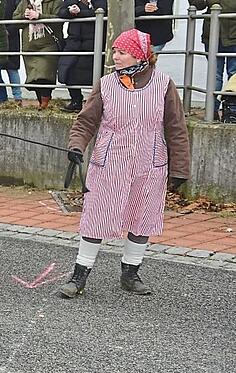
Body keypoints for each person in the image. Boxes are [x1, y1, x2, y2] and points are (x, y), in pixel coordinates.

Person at [57, 29, 190, 299]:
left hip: (149, 164)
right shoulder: (105, 84)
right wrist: (76, 146)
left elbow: (176, 128)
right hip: (109, 162)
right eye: (114, 51)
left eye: (122, 52)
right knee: (95, 218)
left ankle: (130, 274)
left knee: (141, 219)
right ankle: (79, 276)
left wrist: (179, 169)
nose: (115, 56)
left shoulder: (164, 84)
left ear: (139, 55)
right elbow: (86, 122)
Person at [188, 0, 236, 119]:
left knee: (234, 75)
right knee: (214, 76)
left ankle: (232, 112)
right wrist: (206, 1)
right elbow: (192, 0)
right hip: (213, 36)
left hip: (234, 36)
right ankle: (212, 111)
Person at [58, 0, 107, 113]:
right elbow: (60, 11)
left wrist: (80, 12)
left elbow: (101, 11)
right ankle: (75, 100)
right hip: (74, 38)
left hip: (92, 39)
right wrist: (69, 11)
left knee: (92, 73)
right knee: (67, 68)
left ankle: (95, 104)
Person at [13, 0, 64, 110]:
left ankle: (45, 102)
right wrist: (25, 16)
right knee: (34, 76)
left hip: (47, 44)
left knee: (45, 74)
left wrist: (39, 16)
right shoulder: (26, 0)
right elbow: (14, 18)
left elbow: (59, 19)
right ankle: (41, 102)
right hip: (30, 44)